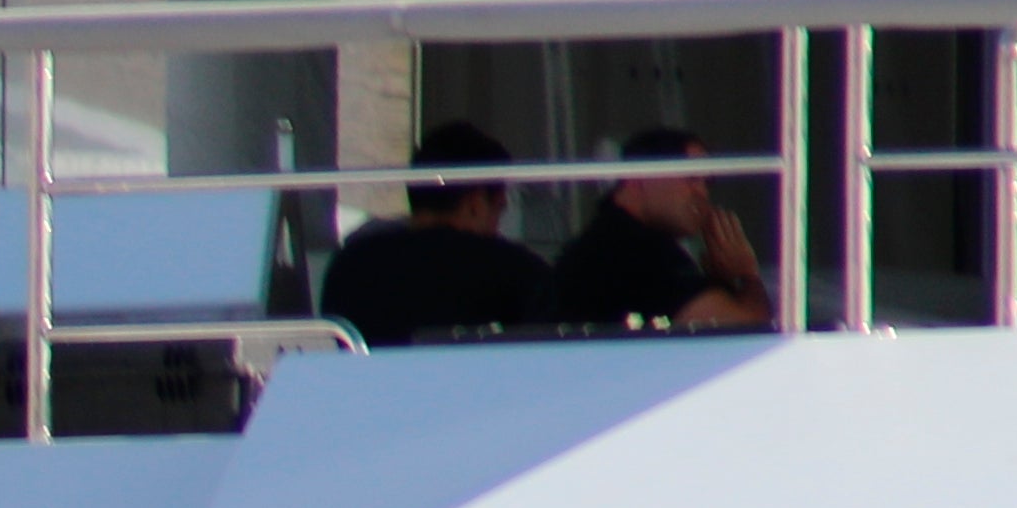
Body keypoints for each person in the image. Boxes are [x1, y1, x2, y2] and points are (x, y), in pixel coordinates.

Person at [317, 119, 561, 346]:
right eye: (499, 209)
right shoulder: (514, 272)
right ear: (475, 205)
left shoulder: (349, 266)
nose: (498, 226)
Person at [547, 123, 780, 333]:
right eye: (691, 177)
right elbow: (746, 334)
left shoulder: (604, 241)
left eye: (707, 182)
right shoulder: (635, 251)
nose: (702, 193)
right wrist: (746, 276)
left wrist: (722, 280)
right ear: (640, 174)